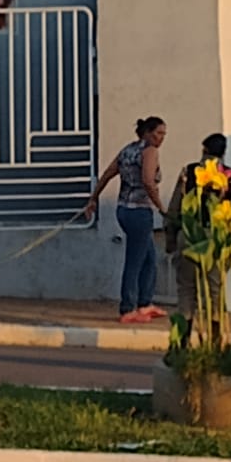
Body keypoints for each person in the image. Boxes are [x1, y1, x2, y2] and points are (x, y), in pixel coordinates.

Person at [164, 133, 231, 332]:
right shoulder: (230, 175)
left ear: (204, 150)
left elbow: (173, 210)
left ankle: (183, 339)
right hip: (216, 238)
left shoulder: (189, 172)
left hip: (189, 235)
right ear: (223, 152)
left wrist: (171, 240)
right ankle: (215, 340)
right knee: (215, 292)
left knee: (186, 290)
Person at [85, 116, 167, 324]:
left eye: (163, 134)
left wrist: (93, 198)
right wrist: (161, 207)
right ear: (147, 133)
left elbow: (107, 174)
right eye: (158, 133)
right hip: (140, 211)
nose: (161, 138)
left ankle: (145, 302)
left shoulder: (128, 150)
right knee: (135, 260)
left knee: (149, 258)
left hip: (123, 209)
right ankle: (128, 308)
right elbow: (148, 181)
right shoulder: (149, 151)